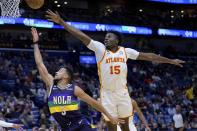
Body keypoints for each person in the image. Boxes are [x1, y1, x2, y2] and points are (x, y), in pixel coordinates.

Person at [45, 10, 185, 131]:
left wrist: (171, 61)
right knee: (112, 126)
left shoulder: (126, 51)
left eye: (109, 36)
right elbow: (81, 36)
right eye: (105, 36)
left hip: (122, 93)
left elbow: (149, 56)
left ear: (117, 40)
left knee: (125, 127)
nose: (106, 37)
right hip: (107, 95)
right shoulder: (100, 49)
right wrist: (62, 22)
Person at [31, 27, 124, 131]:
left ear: (66, 76)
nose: (56, 72)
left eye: (60, 71)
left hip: (81, 126)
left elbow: (94, 103)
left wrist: (110, 116)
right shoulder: (51, 84)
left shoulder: (74, 89)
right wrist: (35, 43)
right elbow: (39, 64)